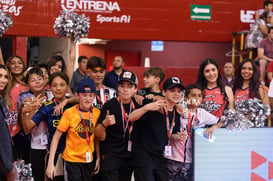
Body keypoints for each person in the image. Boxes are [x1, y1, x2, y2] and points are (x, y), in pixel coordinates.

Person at [128, 77, 185, 181]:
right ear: (163, 92)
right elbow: (131, 117)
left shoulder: (177, 111)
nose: (176, 94)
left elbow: (170, 133)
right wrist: (146, 107)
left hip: (159, 156)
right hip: (143, 154)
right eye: (172, 91)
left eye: (179, 91)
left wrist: (178, 136)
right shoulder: (153, 104)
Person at [21, 72, 73, 181]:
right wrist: (24, 114)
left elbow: (81, 99)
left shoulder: (73, 104)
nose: (58, 88)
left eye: (62, 85)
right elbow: (28, 127)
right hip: (56, 154)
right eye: (54, 85)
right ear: (50, 87)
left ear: (67, 86)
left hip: (75, 153)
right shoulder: (46, 107)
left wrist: (67, 101)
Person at [46, 78, 100, 181]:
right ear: (77, 95)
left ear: (94, 96)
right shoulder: (70, 113)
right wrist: (50, 163)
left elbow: (96, 137)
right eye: (84, 95)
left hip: (89, 160)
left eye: (90, 95)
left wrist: (97, 157)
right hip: (72, 160)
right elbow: (56, 137)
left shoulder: (97, 113)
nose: (87, 99)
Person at [165, 84, 221, 181]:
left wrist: (214, 127)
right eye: (193, 95)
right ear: (186, 98)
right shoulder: (179, 109)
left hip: (190, 159)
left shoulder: (203, 113)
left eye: (199, 96)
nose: (197, 98)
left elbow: (222, 121)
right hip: (173, 157)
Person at [95, 71, 141, 181]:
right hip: (111, 154)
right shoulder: (109, 105)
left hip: (129, 156)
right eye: (122, 86)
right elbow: (98, 135)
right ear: (118, 88)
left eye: (129, 86)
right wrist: (104, 123)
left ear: (135, 89)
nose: (125, 89)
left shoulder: (138, 105)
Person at [18, 68, 53, 181]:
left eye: (39, 79)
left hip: (54, 145)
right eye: (33, 80)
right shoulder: (28, 102)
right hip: (37, 146)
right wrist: (31, 109)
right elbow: (27, 129)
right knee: (38, 177)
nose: (37, 82)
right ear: (28, 85)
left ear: (45, 81)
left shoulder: (53, 97)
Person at [5, 55, 29, 162]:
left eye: (19, 62)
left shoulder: (29, 84)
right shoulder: (7, 81)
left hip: (22, 128)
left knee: (19, 163)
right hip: (7, 126)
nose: (16, 65)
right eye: (13, 63)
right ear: (8, 66)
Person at [0, 64, 17, 181]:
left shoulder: (1, 100)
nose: (3, 80)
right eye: (0, 76)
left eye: (6, 77)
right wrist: (8, 167)